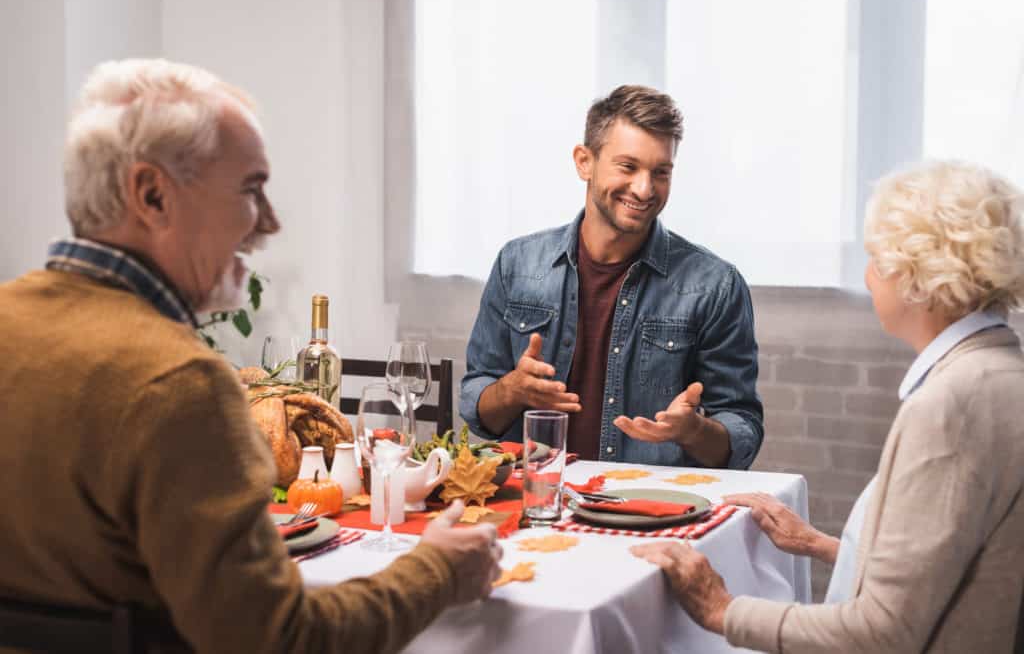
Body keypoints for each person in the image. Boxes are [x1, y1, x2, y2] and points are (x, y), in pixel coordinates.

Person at [0, 59, 501, 653]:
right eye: (250, 189)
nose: (269, 222)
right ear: (152, 195)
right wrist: (437, 570)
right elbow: (282, 641)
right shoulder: (176, 383)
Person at [632, 160, 1024, 653]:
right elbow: (946, 574)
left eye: (876, 257)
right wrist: (818, 544)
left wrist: (721, 609)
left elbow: (883, 634)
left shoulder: (953, 405)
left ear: (917, 274)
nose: (868, 274)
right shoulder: (1000, 374)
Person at [460, 85, 763, 469]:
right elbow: (477, 407)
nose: (644, 188)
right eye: (628, 166)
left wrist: (693, 430)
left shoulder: (715, 285)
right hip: (534, 501)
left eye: (661, 172)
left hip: (648, 509)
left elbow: (742, 429)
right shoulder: (516, 264)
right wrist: (510, 391)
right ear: (584, 161)